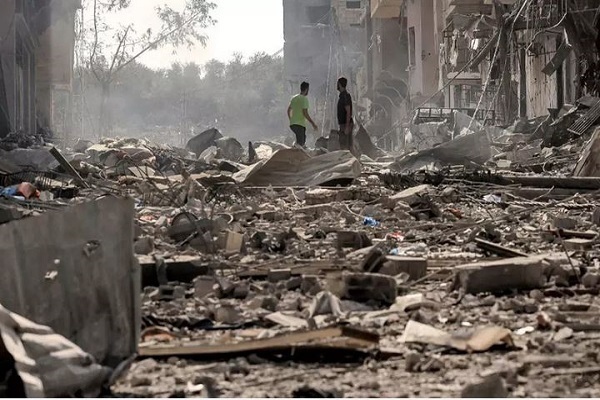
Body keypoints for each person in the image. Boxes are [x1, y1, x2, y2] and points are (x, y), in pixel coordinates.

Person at [287, 81, 318, 147]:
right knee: (301, 143)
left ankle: (294, 149)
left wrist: (291, 120)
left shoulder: (294, 98)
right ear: (306, 89)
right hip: (300, 124)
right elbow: (305, 113)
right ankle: (295, 154)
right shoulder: (304, 99)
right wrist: (313, 124)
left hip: (293, 124)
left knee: (301, 140)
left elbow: (288, 110)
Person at [336, 77, 353, 150]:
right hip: (343, 124)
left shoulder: (345, 96)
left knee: (345, 146)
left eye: (337, 84)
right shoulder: (342, 96)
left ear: (339, 84)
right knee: (344, 145)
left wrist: (347, 126)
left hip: (345, 124)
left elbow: (348, 111)